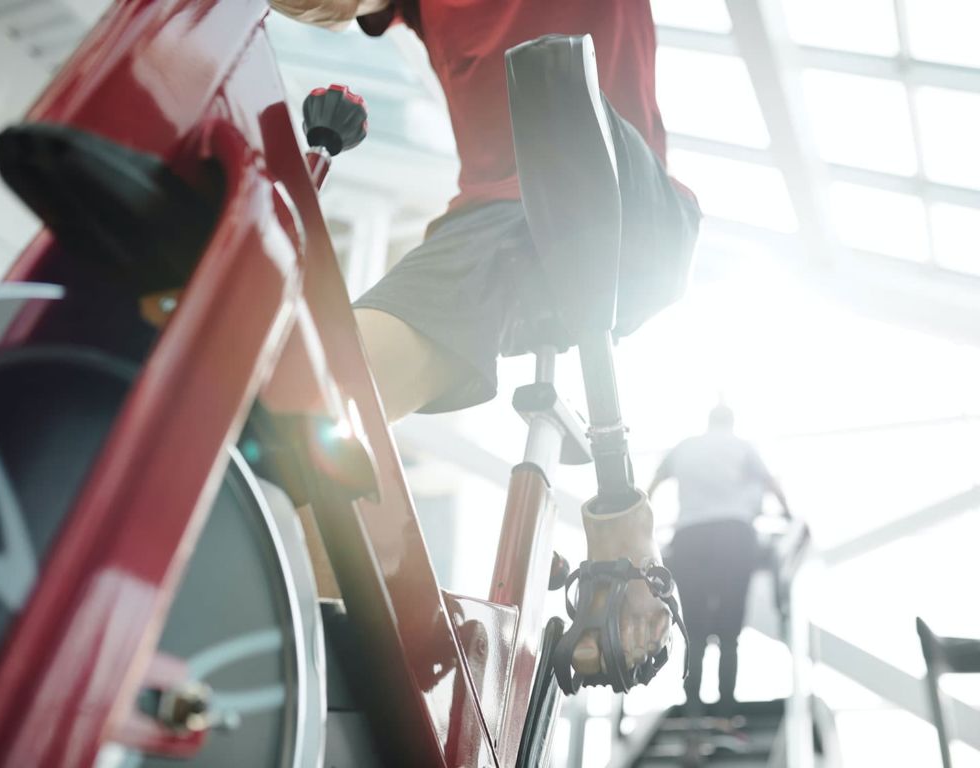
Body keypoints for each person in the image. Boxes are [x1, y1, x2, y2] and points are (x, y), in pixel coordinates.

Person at [270, 0, 701, 677]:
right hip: (489, 225)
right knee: (303, 403)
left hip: (621, 200)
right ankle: (331, 667)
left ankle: (629, 537)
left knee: (557, 94)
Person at [648, 404, 791, 713]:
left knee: (695, 630)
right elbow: (770, 483)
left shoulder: (686, 447)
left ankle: (692, 707)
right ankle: (726, 707)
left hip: (690, 536)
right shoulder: (741, 447)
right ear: (732, 421)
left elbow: (656, 482)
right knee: (729, 631)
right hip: (734, 535)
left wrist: (644, 519)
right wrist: (788, 516)